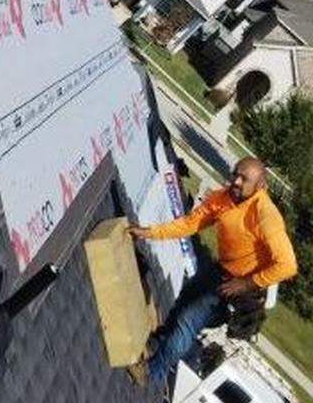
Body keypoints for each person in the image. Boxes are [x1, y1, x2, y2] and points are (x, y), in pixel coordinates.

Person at [126, 157, 297, 387]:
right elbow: (190, 224)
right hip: (222, 269)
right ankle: (163, 340)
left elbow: (287, 264)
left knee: (188, 321)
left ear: (260, 187)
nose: (235, 181)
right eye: (235, 174)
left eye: (244, 179)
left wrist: (246, 284)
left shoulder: (266, 215)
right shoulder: (224, 197)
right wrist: (150, 233)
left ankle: (151, 372)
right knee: (185, 299)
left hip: (242, 285)